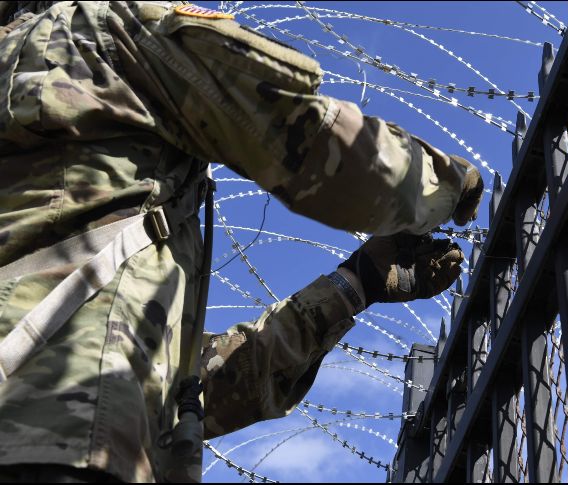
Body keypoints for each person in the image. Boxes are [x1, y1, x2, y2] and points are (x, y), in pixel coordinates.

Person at [0, 1, 484, 482]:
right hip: (53, 448)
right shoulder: (100, 29)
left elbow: (195, 391)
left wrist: (356, 284)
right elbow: (307, 138)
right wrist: (448, 184)